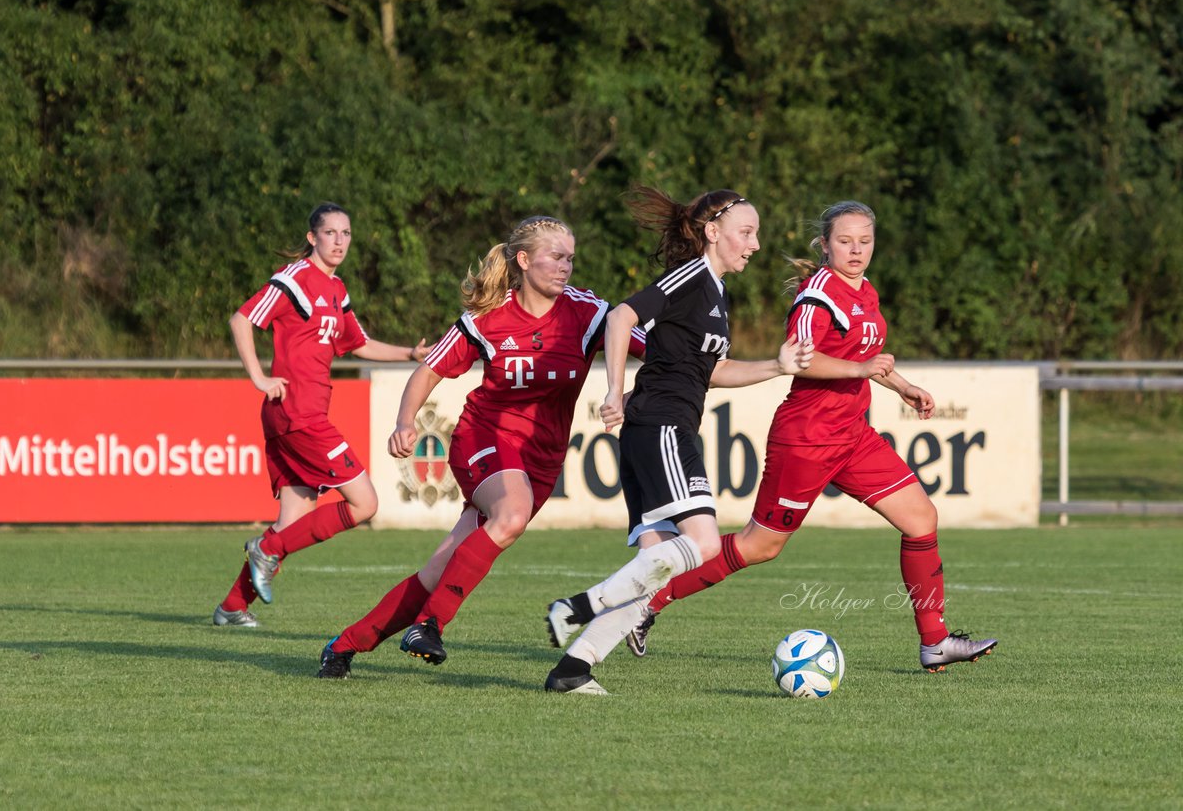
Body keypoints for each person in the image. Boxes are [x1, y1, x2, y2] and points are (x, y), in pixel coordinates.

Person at [623, 200, 998, 673]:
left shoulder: (865, 292)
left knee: (921, 519)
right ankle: (648, 600)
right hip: (807, 438)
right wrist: (860, 369)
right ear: (825, 245)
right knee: (761, 546)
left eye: (865, 241)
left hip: (853, 435)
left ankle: (935, 641)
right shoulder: (817, 294)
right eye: (845, 241)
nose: (856, 250)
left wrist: (903, 387)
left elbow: (869, 354)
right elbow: (802, 359)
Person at [316, 214, 660, 676]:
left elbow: (659, 355)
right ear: (523, 259)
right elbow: (428, 372)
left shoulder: (588, 312)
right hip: (484, 437)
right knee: (512, 514)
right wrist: (404, 421)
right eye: (555, 257)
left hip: (540, 459)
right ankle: (431, 625)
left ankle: (343, 645)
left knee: (437, 572)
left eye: (571, 258)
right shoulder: (487, 318)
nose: (566, 267)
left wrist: (636, 390)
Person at [543, 186, 814, 695]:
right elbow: (621, 316)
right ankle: (578, 607)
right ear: (713, 232)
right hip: (660, 424)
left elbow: (713, 370)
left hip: (662, 428)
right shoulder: (692, 277)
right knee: (706, 542)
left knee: (655, 573)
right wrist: (616, 390)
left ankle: (572, 669)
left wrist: (776, 367)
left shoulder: (716, 292)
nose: (754, 244)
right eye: (746, 232)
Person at [212, 201, 430, 627]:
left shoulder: (336, 288)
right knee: (365, 503)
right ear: (312, 237)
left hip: (299, 416)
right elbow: (241, 319)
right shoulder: (295, 279)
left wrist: (409, 353)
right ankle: (266, 550)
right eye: (331, 233)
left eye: (346, 234)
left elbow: (358, 343)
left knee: (291, 523)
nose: (340, 241)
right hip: (299, 415)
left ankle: (233, 607)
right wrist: (258, 378)